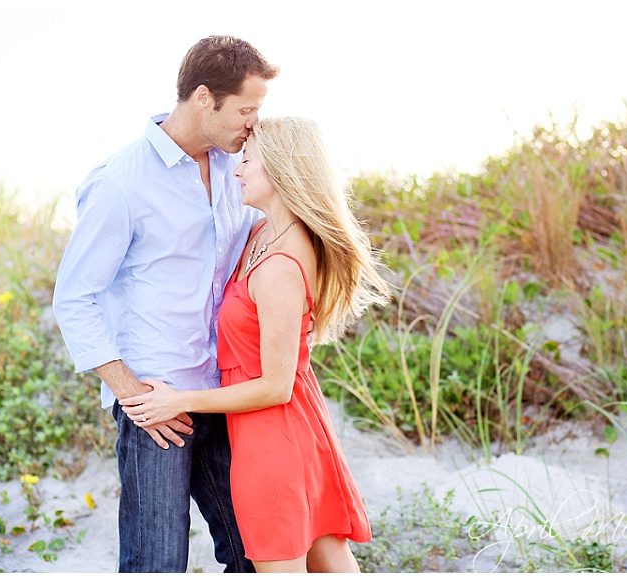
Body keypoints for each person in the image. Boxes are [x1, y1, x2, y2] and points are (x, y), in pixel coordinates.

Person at [119, 116, 392, 573]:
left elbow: (275, 386)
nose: (238, 170)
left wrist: (178, 400)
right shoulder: (262, 232)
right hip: (295, 427)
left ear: (281, 170)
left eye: (247, 160)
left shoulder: (280, 264)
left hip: (272, 439)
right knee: (329, 562)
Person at [52, 36, 279, 573]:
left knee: (255, 553)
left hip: (223, 395)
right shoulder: (120, 183)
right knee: (157, 563)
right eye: (246, 110)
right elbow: (74, 298)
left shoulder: (237, 169)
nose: (254, 125)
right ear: (205, 97)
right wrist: (133, 396)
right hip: (156, 406)